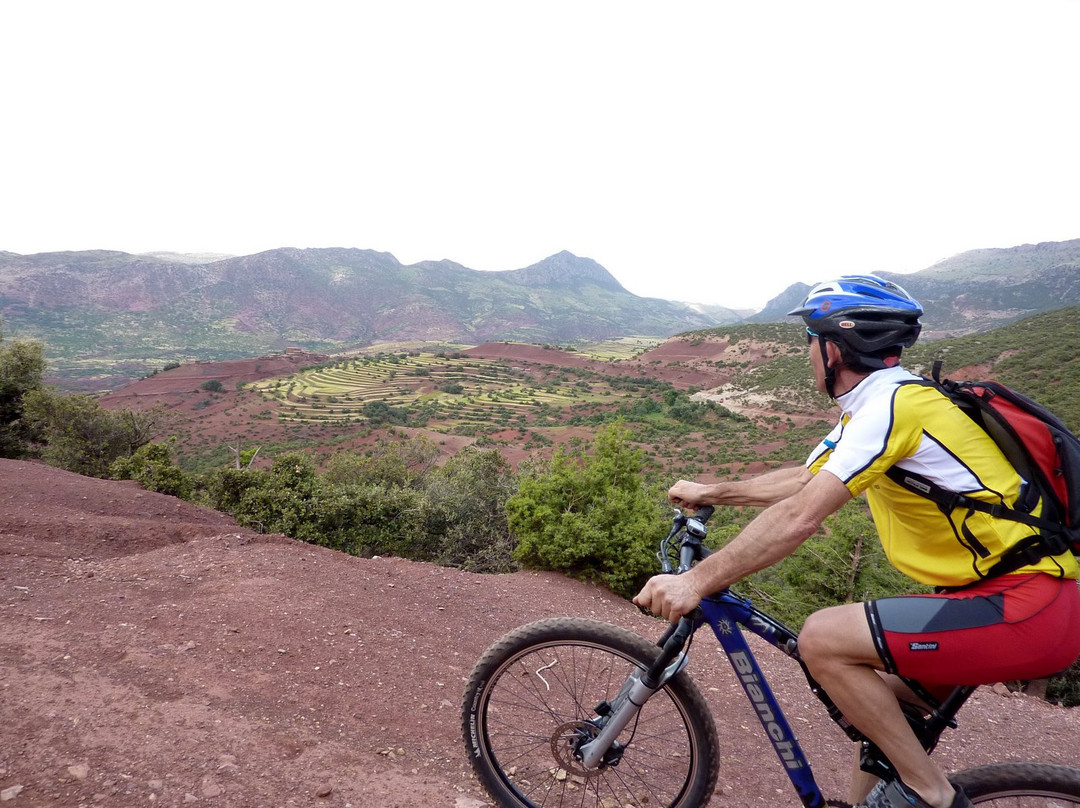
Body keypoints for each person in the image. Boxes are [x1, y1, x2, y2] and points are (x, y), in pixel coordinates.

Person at [633, 275, 1080, 808]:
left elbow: (802, 513)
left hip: (1026, 606)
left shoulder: (893, 408)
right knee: (881, 717)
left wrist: (698, 580)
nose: (807, 356)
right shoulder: (879, 404)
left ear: (834, 347)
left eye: (810, 342)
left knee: (821, 638)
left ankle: (931, 792)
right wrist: (713, 492)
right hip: (999, 599)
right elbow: (804, 480)